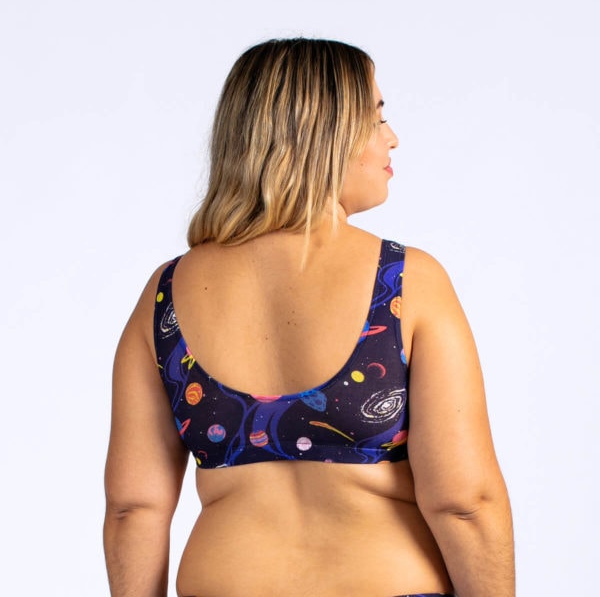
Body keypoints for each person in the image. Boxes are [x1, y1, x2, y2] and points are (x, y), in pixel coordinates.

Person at [103, 38, 514, 597]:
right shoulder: (405, 282)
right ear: (324, 133)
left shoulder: (166, 294)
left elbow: (133, 507)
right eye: (376, 117)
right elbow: (466, 502)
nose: (392, 137)